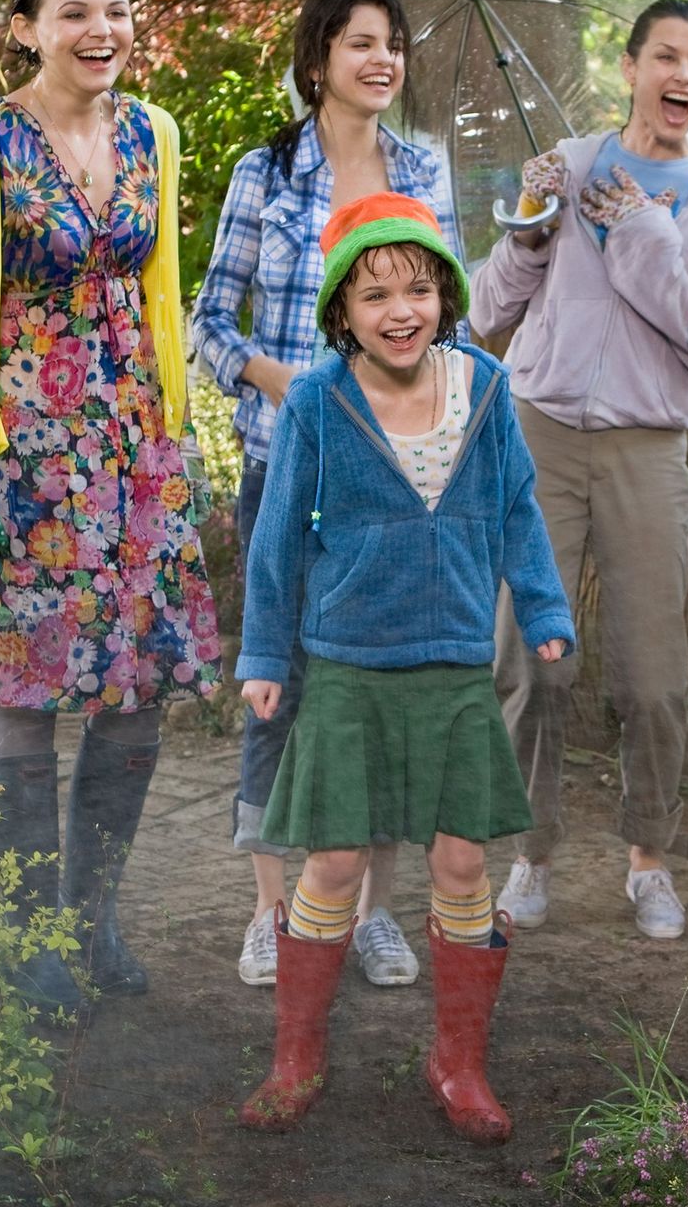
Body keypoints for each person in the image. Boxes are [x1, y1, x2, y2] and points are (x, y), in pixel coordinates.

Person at [233, 193, 573, 1143]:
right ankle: (297, 1056)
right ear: (342, 308)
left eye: (419, 287)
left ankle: (457, 1064)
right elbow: (275, 545)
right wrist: (265, 651)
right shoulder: (316, 400)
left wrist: (541, 608)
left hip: (456, 666)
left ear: (446, 296)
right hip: (348, 667)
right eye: (375, 292)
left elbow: (518, 512)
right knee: (336, 859)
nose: (401, 309)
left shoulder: (489, 389)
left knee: (464, 862)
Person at [0, 0, 224, 1013]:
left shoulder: (156, 134)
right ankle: (24, 936)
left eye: (116, 11)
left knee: (133, 696)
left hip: (136, 454)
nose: (101, 31)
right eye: (73, 13)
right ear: (25, 28)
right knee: (24, 692)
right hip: (28, 457)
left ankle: (92, 915)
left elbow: (162, 296)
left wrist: (177, 439)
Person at [190, 0, 462, 991]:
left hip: (397, 483)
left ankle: (370, 914)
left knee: (381, 697)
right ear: (318, 61)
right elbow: (209, 326)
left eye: (392, 43)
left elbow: (454, 323)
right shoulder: (265, 172)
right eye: (360, 43)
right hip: (286, 470)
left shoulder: (424, 168)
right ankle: (275, 914)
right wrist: (293, 384)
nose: (381, 59)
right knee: (280, 690)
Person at [471, 0, 688, 943]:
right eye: (667, 56)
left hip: (647, 446)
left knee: (651, 678)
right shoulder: (571, 165)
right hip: (540, 431)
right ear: (631, 67)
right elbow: (484, 312)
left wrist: (641, 232)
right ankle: (530, 855)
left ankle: (648, 858)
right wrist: (527, 229)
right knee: (529, 664)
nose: (685, 76)